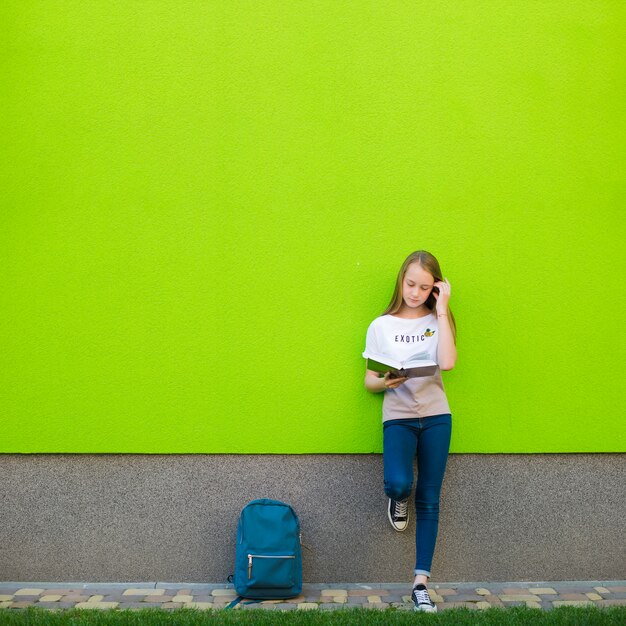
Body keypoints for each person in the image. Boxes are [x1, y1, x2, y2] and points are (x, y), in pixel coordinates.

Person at [363, 250, 457, 613]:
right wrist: (386, 382)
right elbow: (368, 382)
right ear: (401, 281)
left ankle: (420, 584)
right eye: (410, 284)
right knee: (400, 483)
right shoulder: (380, 325)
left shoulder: (438, 320)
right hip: (398, 416)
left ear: (436, 288)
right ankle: (397, 498)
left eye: (425, 287)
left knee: (430, 498)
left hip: (436, 417)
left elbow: (446, 363)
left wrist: (444, 309)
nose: (416, 293)